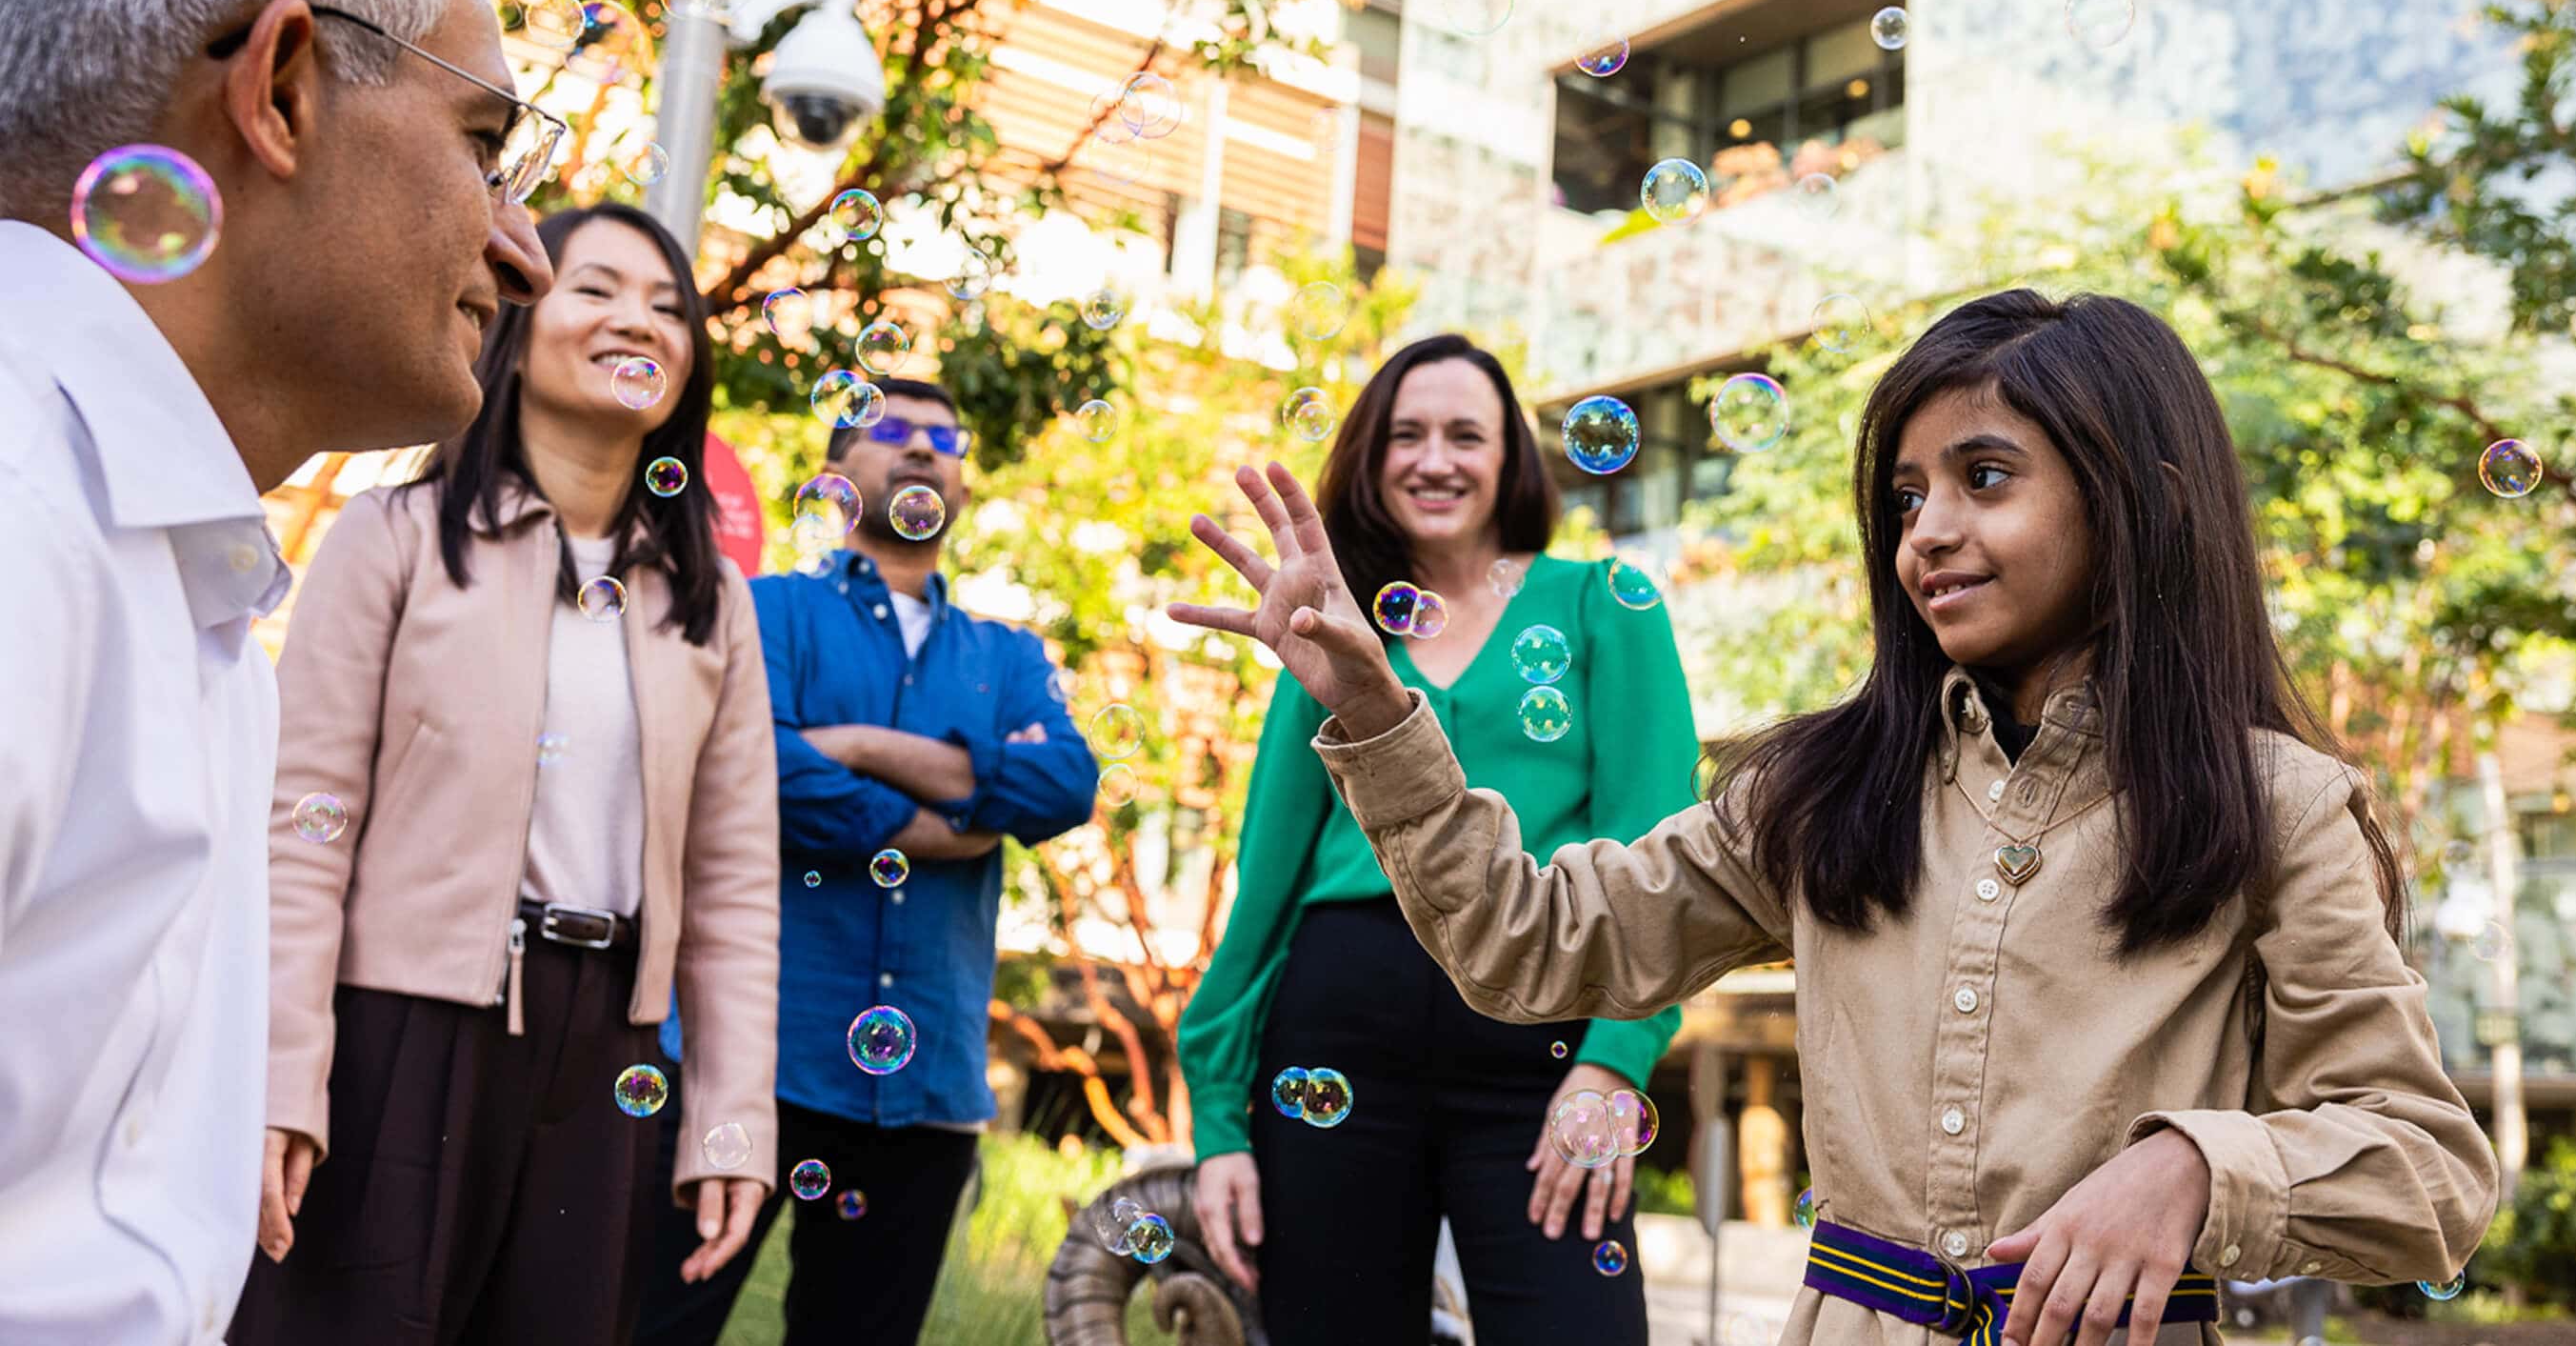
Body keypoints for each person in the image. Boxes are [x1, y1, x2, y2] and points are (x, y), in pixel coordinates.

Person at [1171, 291, 2501, 1346]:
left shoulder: (2279, 809)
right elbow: (1529, 943)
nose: (1927, 530)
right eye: (1908, 494)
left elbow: (2430, 1171)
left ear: (2136, 500)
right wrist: (1373, 699)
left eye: (1987, 475)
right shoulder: (1822, 789)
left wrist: (2198, 1171)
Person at [0, 0, 555, 1337]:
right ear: (284, 90)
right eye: (485, 148)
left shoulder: (181, 578)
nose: (522, 254)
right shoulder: (25, 529)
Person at [230, 204, 778, 1345]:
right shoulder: (394, 537)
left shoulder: (711, 604)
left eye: (669, 306)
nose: (640, 320)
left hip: (606, 1057)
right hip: (397, 1035)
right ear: (519, 328)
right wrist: (284, 1071)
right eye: (598, 289)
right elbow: (300, 828)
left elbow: (735, 890)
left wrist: (730, 1121)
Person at [1178, 334, 1697, 1345]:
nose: (1435, 458)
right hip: (1334, 1039)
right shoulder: (1329, 620)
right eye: (1406, 433)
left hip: (1542, 1041)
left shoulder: (1604, 605)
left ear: (1511, 457)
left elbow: (1657, 850)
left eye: (1467, 433)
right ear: (1371, 457)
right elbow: (1267, 878)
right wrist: (1218, 1120)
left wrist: (1612, 1063)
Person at [634, 378, 1099, 1346]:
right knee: (646, 1326)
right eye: (891, 430)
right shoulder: (762, 611)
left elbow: (1062, 784)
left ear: (965, 486)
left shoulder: (1008, 655)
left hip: (923, 1083)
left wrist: (854, 745)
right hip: (746, 1055)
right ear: (833, 477)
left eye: (945, 436)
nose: (924, 447)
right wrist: (949, 812)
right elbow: (758, 765)